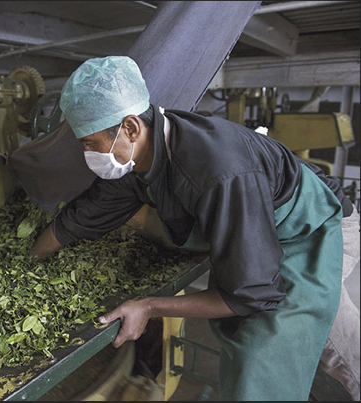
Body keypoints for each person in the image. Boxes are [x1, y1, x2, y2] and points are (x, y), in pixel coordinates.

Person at [30, 56, 360, 400]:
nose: (88, 154)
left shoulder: (219, 171)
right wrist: (30, 262)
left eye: (90, 144)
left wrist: (148, 306)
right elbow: (80, 218)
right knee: (254, 339)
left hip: (315, 229)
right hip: (262, 229)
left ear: (129, 127)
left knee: (270, 353)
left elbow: (249, 293)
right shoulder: (140, 156)